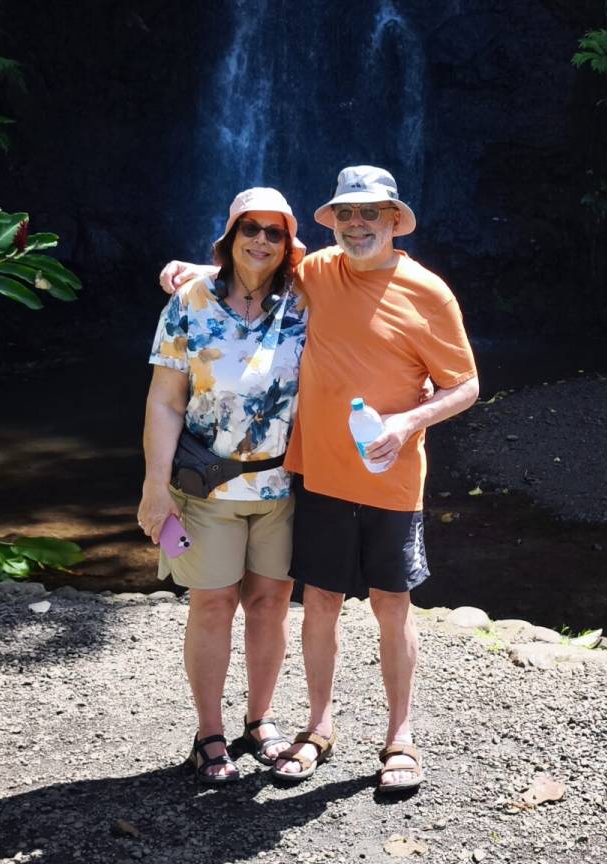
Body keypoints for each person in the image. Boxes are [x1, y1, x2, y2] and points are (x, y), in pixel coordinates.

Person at [159, 165, 478, 793]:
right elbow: (250, 269)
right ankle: (317, 728)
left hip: (391, 481)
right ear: (333, 222)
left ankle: (400, 740)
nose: (358, 225)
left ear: (394, 219)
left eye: (371, 214)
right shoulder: (315, 273)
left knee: (392, 605)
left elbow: (466, 385)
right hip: (321, 478)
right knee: (321, 605)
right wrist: (192, 273)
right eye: (346, 215)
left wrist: (409, 420)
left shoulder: (429, 292)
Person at [138, 187, 309, 784]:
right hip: (208, 488)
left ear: (289, 243)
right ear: (229, 234)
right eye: (249, 229)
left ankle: (259, 720)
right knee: (212, 605)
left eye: (274, 232)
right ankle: (209, 733)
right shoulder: (190, 301)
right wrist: (154, 489)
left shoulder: (307, 299)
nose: (260, 239)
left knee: (270, 608)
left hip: (281, 489)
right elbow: (165, 401)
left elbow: (360, 272)